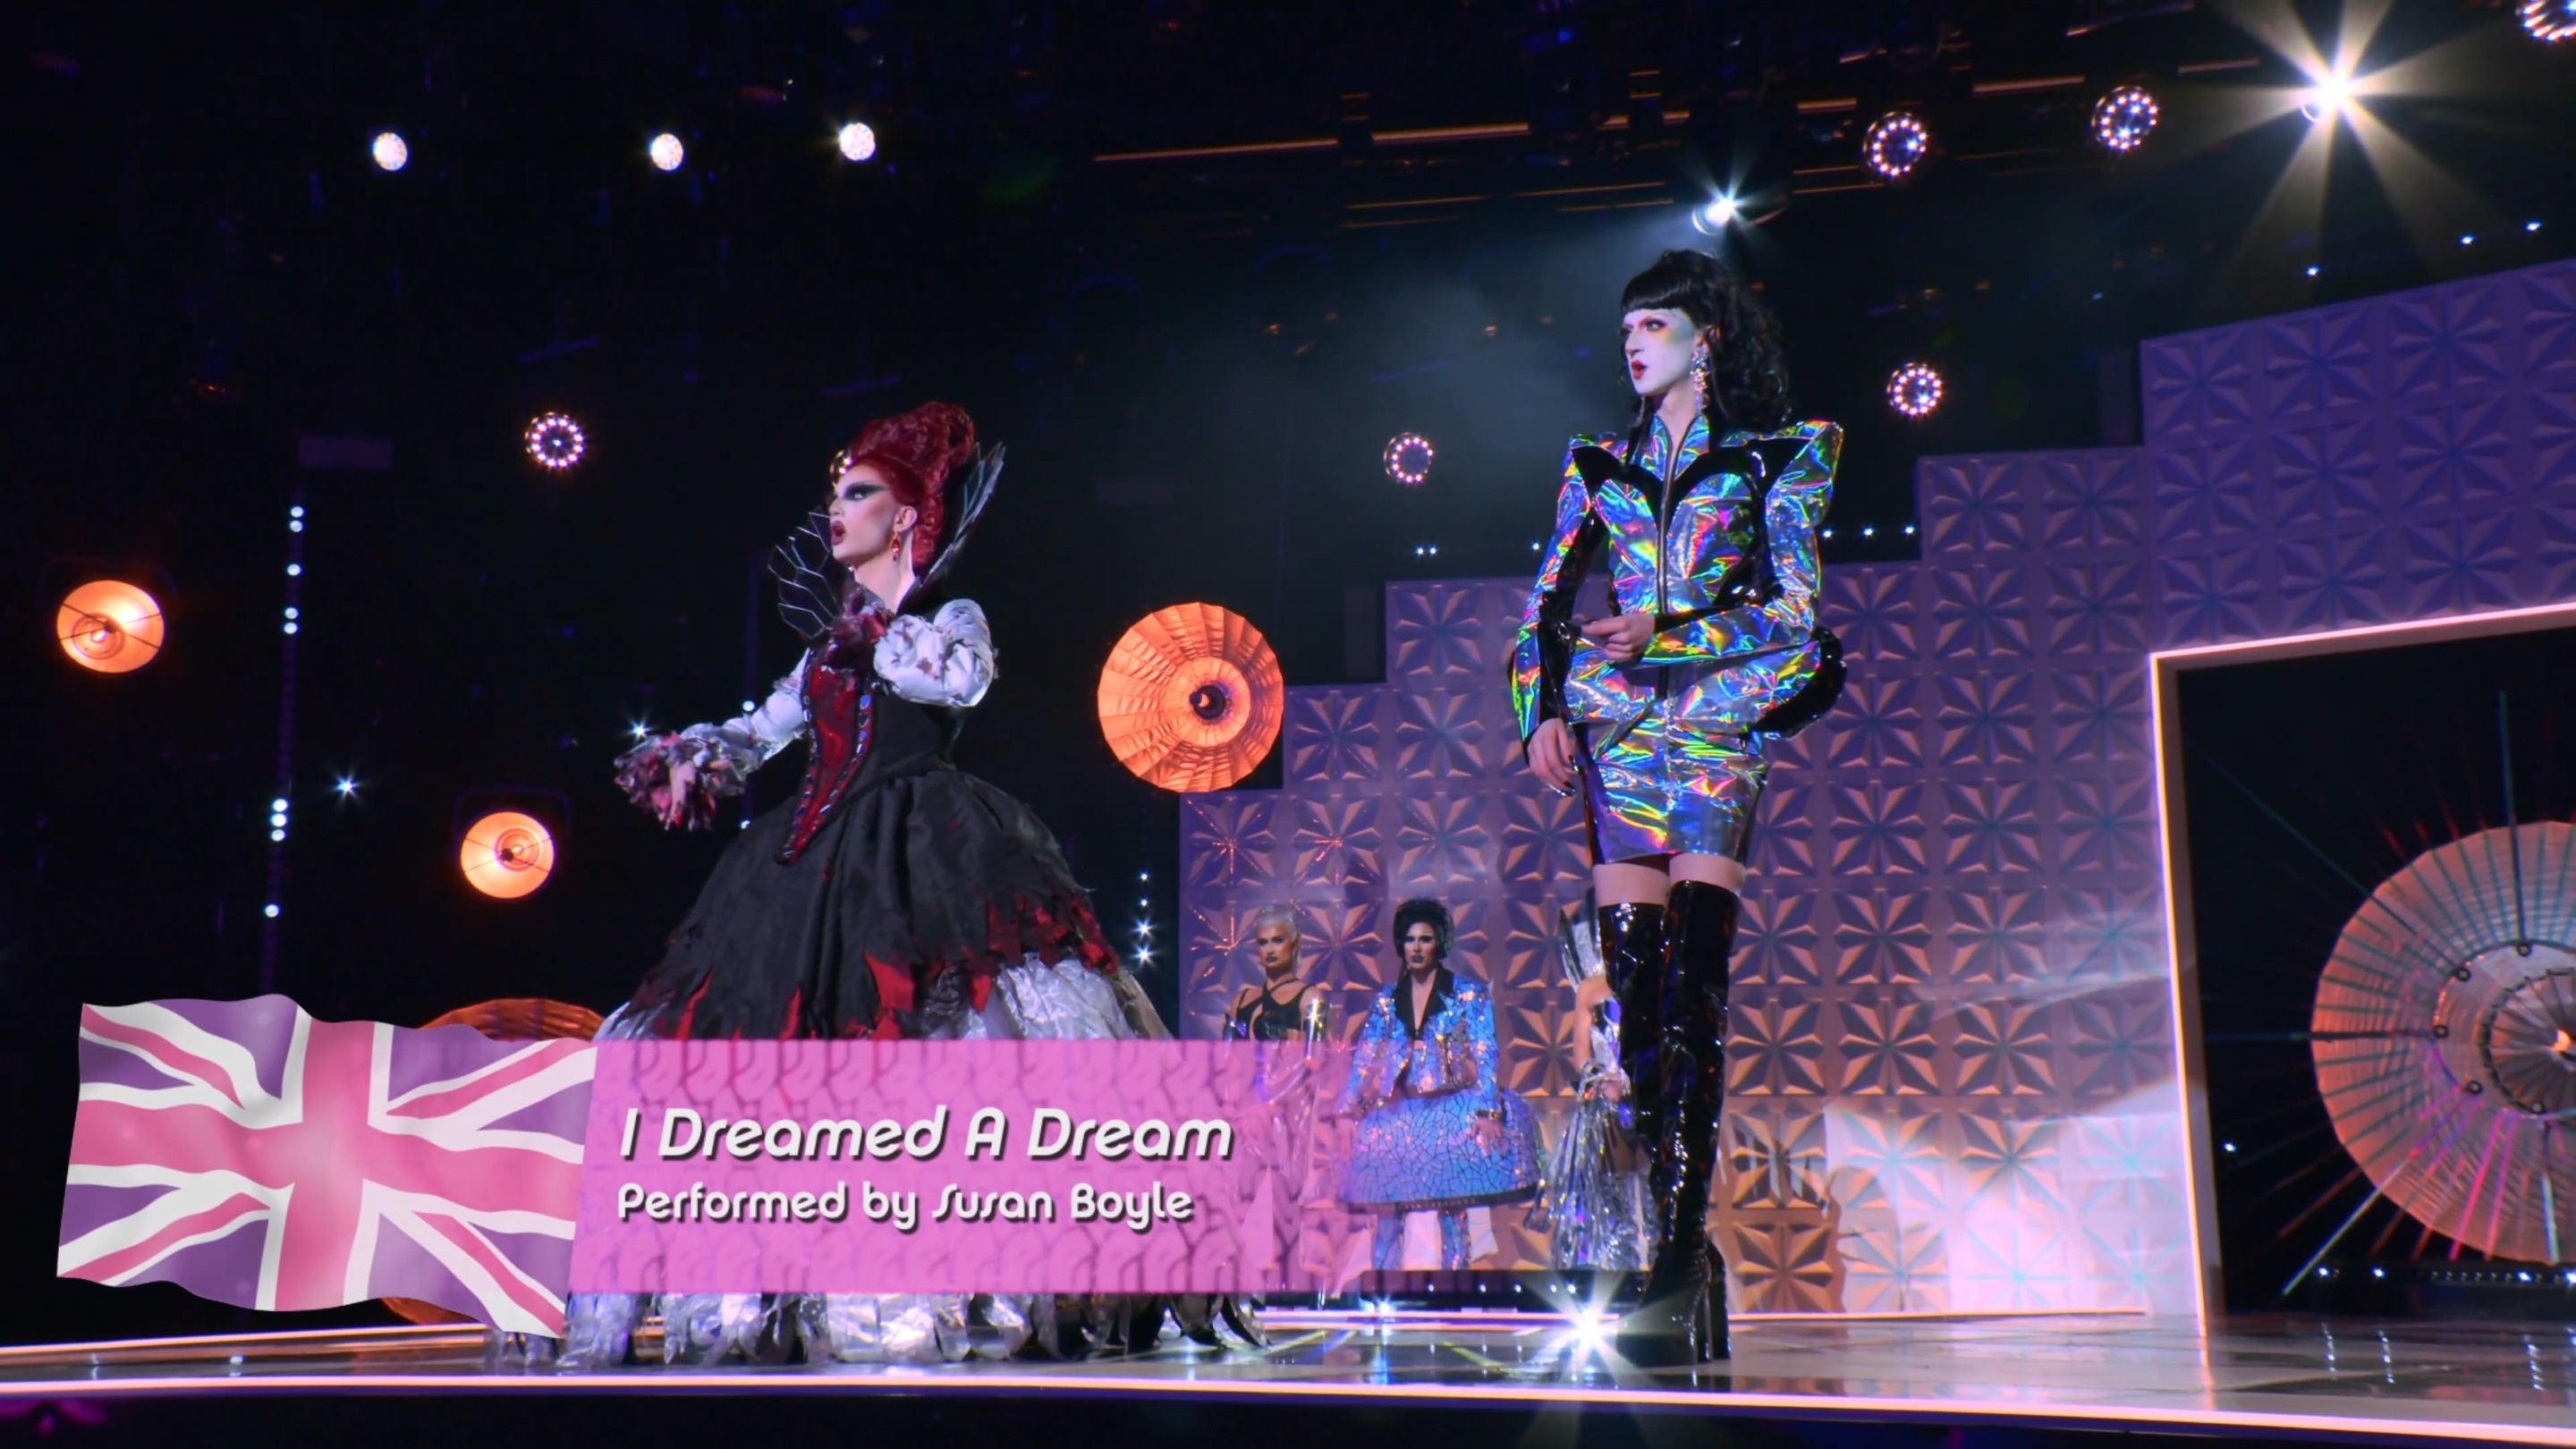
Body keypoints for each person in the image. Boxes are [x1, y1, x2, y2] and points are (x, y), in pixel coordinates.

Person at [563, 402, 1174, 1367]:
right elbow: (763, 730)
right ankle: (774, 1290)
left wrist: (882, 633)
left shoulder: (948, 617)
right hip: (803, 866)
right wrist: (690, 753)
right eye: (835, 495)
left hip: (922, 849)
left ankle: (939, 1293)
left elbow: (960, 683)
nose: (835, 511)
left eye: (858, 494)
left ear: (905, 517)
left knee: (940, 1050)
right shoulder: (821, 647)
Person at [1509, 249, 1841, 1365]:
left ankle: (1679, 1257)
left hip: (1712, 730)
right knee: (1636, 1006)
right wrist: (1539, 710)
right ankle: (1677, 1251)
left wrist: (1672, 630)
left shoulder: (1779, 456)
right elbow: (1544, 603)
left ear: (1708, 339)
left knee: (1695, 990)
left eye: (1653, 324)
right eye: (1626, 329)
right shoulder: (1597, 464)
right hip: (1620, 739)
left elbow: (1793, 610)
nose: (1632, 344)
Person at [1331, 899, 1541, 1272]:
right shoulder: (1386, 1000)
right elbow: (1364, 1059)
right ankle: (1384, 1287)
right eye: (1409, 939)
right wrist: (1347, 1112)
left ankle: (1453, 1283)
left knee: (1452, 1209)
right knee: (1387, 1209)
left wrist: (1488, 1110)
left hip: (1449, 1109)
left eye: (1425, 939)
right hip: (1400, 1112)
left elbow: (1485, 1051)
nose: (1416, 947)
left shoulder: (1467, 993)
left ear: (1439, 943)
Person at [1536, 899, 1655, 1273]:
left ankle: (1666, 1281)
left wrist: (1633, 1083)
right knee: (1615, 1209)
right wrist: (1601, 1080)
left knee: (1659, 1203)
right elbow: (1581, 1052)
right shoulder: (1590, 989)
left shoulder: (1655, 979)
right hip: (1606, 1110)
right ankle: (1624, 1283)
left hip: (1651, 1103)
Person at [1224, 906, 1323, 1043]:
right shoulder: (1241, 1000)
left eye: (1278, 941)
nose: (1270, 950)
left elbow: (1316, 1052)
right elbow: (1226, 1053)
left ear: (1294, 945)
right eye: (1263, 943)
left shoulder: (1309, 997)